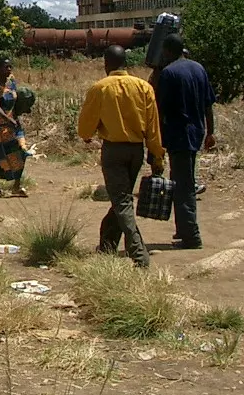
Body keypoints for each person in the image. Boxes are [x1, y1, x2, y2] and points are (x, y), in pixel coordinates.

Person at [77, 45, 165, 268]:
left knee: (122, 201)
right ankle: (107, 245)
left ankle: (138, 253)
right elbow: (154, 128)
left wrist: (88, 135)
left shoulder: (100, 88)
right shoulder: (144, 87)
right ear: (126, 63)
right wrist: (157, 157)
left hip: (113, 151)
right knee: (121, 198)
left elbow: (85, 128)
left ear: (106, 64)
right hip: (136, 151)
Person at [153, 33, 216, 250]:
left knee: (183, 186)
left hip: (179, 135)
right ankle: (184, 229)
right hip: (197, 133)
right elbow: (208, 104)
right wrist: (210, 132)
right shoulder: (198, 68)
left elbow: (160, 110)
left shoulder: (169, 73)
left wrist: (156, 141)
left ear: (168, 51)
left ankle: (191, 237)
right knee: (185, 180)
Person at [0, 57, 29, 198]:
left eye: (10, 66)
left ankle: (16, 185)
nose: (9, 69)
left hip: (14, 123)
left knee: (22, 151)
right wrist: (8, 119)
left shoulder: (12, 83)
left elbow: (16, 102)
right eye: (6, 67)